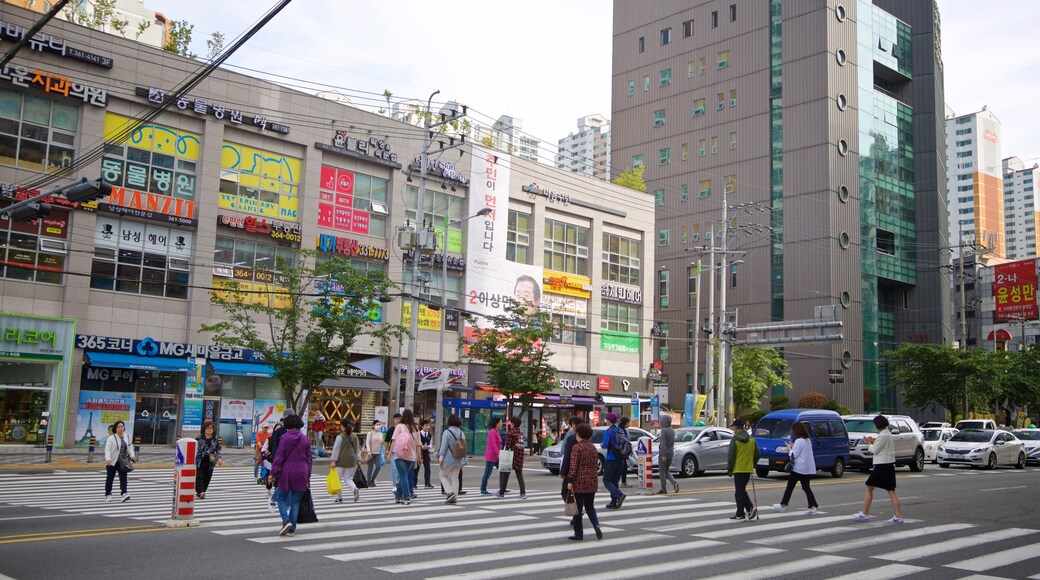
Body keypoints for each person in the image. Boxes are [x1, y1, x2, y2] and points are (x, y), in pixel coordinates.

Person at [854, 415, 904, 524]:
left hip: (881, 465)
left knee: (869, 487)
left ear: (878, 425)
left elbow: (874, 450)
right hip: (889, 464)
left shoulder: (883, 436)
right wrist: (873, 441)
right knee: (891, 491)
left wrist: (869, 443)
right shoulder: (887, 434)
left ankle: (865, 514)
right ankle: (898, 515)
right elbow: (880, 446)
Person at [269, 413, 312, 537]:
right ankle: (292, 529)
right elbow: (309, 458)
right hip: (302, 470)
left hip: (287, 470)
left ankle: (286, 521)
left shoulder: (284, 438)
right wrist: (308, 475)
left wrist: (273, 473)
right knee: (296, 501)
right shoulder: (305, 439)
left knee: (281, 497)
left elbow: (279, 457)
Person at [773, 421, 819, 516]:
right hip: (807, 468)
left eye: (793, 430)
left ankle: (783, 505)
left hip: (798, 468)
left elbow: (794, 455)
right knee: (806, 487)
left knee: (790, 487)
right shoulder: (807, 440)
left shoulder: (799, 441)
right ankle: (813, 506)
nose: (792, 432)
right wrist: (794, 447)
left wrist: (789, 448)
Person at [567, 422, 603, 541]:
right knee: (590, 506)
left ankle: (578, 533)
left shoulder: (577, 448)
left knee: (578, 509)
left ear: (579, 434)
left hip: (579, 481)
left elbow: (573, 466)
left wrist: (570, 480)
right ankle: (596, 524)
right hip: (592, 481)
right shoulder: (592, 447)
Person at [727, 418, 761, 520]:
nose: (732, 429)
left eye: (733, 427)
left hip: (738, 469)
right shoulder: (751, 440)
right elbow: (758, 454)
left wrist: (729, 469)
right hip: (748, 469)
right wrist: (753, 464)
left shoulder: (735, 439)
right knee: (741, 490)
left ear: (736, 428)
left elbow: (731, 456)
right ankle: (750, 508)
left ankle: (741, 513)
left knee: (739, 492)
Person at [390, 409, 421, 505]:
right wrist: (419, 457)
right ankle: (398, 496)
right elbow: (418, 445)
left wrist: (389, 454)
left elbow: (394, 441)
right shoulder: (415, 428)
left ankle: (407, 497)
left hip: (399, 455)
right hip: (411, 456)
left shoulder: (399, 426)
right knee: (405, 476)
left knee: (403, 476)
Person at [493, 415, 527, 499]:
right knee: (519, 474)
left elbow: (508, 445)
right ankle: (523, 493)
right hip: (520, 456)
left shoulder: (511, 433)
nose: (510, 424)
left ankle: (501, 493)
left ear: (513, 424)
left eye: (511, 423)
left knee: (506, 474)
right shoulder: (520, 433)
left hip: (511, 456)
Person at [439, 413, 468, 504]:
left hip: (448, 458)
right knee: (455, 477)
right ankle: (455, 497)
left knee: (442, 475)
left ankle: (449, 492)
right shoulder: (461, 432)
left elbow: (443, 447)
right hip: (459, 458)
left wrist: (441, 458)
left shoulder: (447, 432)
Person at [103, 420, 135, 503]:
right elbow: (107, 449)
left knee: (123, 478)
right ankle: (108, 494)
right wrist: (108, 459)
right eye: (119, 427)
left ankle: (124, 493)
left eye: (122, 426)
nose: (121, 428)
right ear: (115, 429)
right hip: (112, 461)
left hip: (123, 462)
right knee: (110, 478)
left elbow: (130, 446)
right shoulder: (111, 438)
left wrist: (132, 455)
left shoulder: (127, 436)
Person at [330, 419, 361, 503]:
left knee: (338, 479)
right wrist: (358, 459)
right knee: (347, 478)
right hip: (351, 460)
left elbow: (336, 450)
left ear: (342, 426)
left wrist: (333, 461)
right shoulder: (354, 436)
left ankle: (339, 497)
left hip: (341, 460)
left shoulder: (340, 436)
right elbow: (357, 449)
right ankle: (354, 488)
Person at [601, 413, 626, 509]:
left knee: (607, 480)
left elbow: (605, 445)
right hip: (620, 458)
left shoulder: (609, 431)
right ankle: (613, 502)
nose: (606, 421)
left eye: (606, 419)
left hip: (611, 458)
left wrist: (602, 444)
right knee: (615, 481)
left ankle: (619, 495)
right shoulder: (620, 430)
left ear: (609, 421)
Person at [195, 420, 222, 500]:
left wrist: (219, 458)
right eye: (207, 428)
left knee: (207, 477)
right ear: (204, 429)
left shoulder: (215, 439)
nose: (209, 430)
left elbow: (218, 449)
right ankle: (200, 492)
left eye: (211, 428)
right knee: (199, 476)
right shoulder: (199, 438)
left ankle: (201, 491)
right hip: (200, 460)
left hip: (211, 460)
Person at [559, 416, 583, 499]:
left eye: (572, 424)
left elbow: (567, 456)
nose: (571, 426)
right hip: (584, 472)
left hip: (571, 470)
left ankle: (576, 509)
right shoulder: (587, 439)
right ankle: (578, 508)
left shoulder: (572, 438)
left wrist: (563, 472)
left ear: (575, 425)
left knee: (565, 491)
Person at [480, 417, 502, 495]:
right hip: (491, 456)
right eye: (500, 422)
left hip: (496, 456)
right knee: (487, 473)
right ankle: (483, 489)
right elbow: (493, 444)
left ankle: (502, 487)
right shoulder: (492, 432)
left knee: (502, 470)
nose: (501, 424)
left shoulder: (496, 431)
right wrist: (498, 454)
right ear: (496, 424)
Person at [657, 414, 679, 494]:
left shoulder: (664, 431)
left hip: (664, 453)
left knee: (662, 472)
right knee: (666, 471)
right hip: (671, 453)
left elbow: (663, 444)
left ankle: (663, 489)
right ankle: (674, 482)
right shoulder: (672, 430)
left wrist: (663, 455)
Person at [385, 413, 402, 494]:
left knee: (400, 469)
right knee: (394, 468)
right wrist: (385, 453)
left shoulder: (403, 429)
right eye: (397, 419)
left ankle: (398, 483)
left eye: (400, 419)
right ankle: (394, 485)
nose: (398, 420)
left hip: (401, 452)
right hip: (392, 452)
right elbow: (386, 441)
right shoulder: (391, 430)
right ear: (394, 420)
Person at [365, 420, 384, 486]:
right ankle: (369, 482)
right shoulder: (370, 433)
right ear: (373, 425)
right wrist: (368, 451)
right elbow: (367, 442)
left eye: (379, 424)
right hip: (371, 452)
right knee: (370, 467)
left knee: (378, 466)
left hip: (378, 452)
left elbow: (381, 442)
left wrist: (382, 442)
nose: (378, 426)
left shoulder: (380, 433)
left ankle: (372, 479)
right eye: (377, 424)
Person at [419, 419, 434, 488]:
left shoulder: (429, 435)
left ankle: (427, 483)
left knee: (427, 468)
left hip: (426, 453)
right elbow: (416, 444)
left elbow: (431, 444)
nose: (427, 427)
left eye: (428, 425)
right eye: (426, 425)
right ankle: (413, 484)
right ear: (422, 426)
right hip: (419, 453)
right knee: (416, 469)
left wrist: (427, 447)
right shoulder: (419, 434)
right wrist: (422, 447)